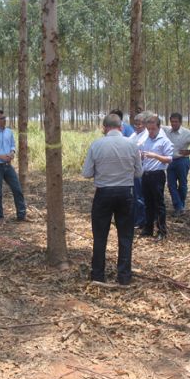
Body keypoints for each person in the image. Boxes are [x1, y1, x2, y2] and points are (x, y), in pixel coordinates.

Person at [82, 113, 142, 285]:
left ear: (104, 128)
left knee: (100, 236)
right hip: (126, 193)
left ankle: (98, 275)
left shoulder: (97, 144)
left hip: (104, 193)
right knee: (125, 236)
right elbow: (139, 173)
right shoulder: (131, 145)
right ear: (121, 127)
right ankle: (124, 276)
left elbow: (87, 173)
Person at [0, 109, 27, 224]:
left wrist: (12, 153)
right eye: (2, 118)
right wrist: (0, 156)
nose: (5, 120)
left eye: (5, 118)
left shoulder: (9, 132)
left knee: (17, 189)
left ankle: (21, 214)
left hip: (8, 166)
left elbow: (13, 145)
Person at [139, 114, 174, 241]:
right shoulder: (146, 140)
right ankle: (148, 228)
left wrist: (155, 156)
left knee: (159, 204)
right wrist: (141, 156)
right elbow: (142, 154)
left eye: (153, 129)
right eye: (149, 129)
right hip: (146, 174)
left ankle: (162, 231)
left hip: (157, 175)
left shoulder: (164, 141)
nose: (151, 131)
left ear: (159, 127)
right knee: (147, 203)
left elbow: (169, 159)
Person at [162, 112, 190, 217]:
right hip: (170, 161)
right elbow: (156, 125)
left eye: (176, 122)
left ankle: (180, 206)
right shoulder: (166, 130)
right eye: (172, 122)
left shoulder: (186, 133)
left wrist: (189, 151)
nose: (174, 124)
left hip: (182, 161)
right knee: (171, 185)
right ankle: (178, 206)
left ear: (180, 122)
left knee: (182, 184)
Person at [128, 111, 150, 228]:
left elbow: (135, 148)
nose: (137, 126)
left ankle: (142, 220)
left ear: (145, 124)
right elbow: (128, 144)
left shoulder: (146, 135)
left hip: (142, 168)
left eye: (139, 124)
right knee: (134, 195)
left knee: (140, 195)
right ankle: (136, 218)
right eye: (135, 124)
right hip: (132, 167)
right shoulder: (134, 135)